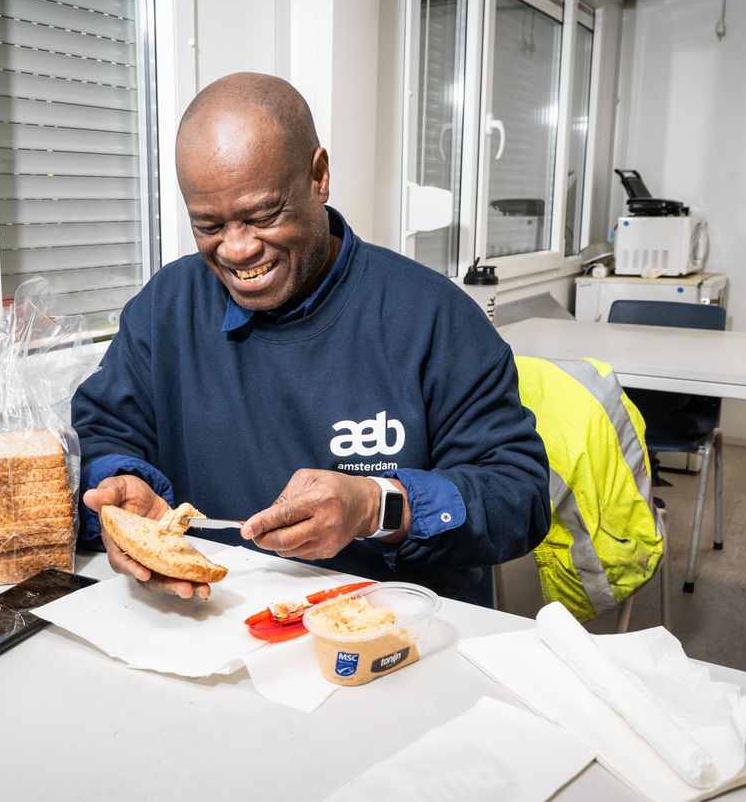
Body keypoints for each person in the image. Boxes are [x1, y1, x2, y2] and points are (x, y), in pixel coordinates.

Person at [72, 72, 549, 606]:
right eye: (208, 225)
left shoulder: (433, 317)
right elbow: (100, 433)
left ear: (319, 177)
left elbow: (518, 496)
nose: (236, 250)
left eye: (262, 216)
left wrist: (376, 506)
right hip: (212, 618)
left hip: (393, 631)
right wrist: (118, 492)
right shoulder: (167, 309)